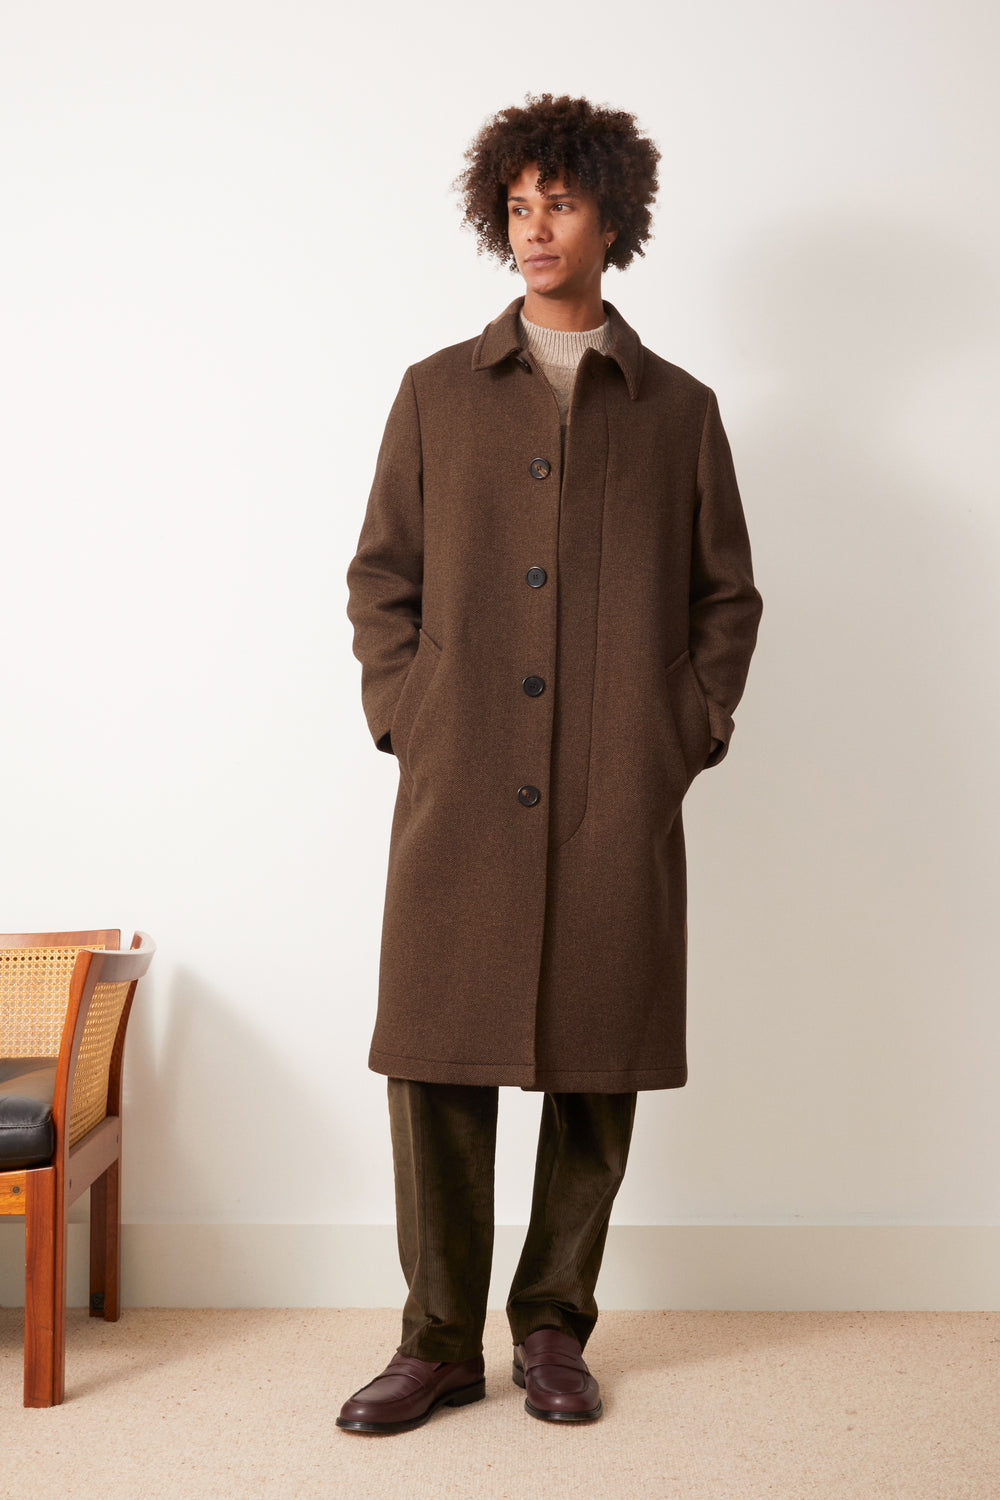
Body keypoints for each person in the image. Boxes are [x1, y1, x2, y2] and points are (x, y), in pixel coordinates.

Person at [340, 92, 762, 1434]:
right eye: (518, 207)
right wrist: (411, 712)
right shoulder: (435, 394)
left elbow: (725, 597)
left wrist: (681, 730)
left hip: (612, 789)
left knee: (597, 1066)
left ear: (611, 219)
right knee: (436, 1061)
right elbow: (381, 578)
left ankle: (553, 1328)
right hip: (461, 784)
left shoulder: (679, 410)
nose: (536, 229)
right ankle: (434, 1342)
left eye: (561, 204)